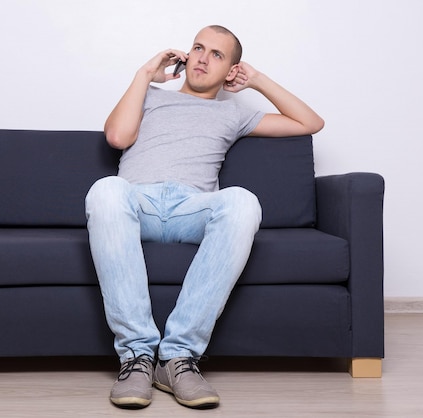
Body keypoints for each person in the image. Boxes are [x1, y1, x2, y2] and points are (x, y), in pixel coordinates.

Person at [85, 25, 324, 409]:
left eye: (217, 54)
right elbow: (116, 137)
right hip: (137, 202)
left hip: (191, 209)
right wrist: (144, 75)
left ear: (231, 70)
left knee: (242, 201)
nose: (202, 57)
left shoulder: (234, 112)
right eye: (198, 47)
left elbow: (310, 123)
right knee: (105, 189)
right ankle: (136, 357)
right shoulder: (149, 95)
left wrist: (259, 80)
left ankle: (178, 357)